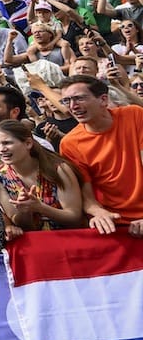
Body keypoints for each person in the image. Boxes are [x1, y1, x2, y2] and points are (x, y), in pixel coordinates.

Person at [56, 75, 143, 236]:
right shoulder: (69, 143)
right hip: (117, 224)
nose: (73, 106)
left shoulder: (134, 115)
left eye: (79, 98)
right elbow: (87, 197)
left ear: (103, 100)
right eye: (67, 101)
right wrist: (98, 212)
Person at [0, 119, 85, 232]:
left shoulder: (58, 169)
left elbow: (74, 217)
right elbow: (20, 224)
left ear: (28, 143)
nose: (1, 149)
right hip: (34, 242)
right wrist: (25, 211)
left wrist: (40, 207)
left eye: (7, 143)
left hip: (69, 238)